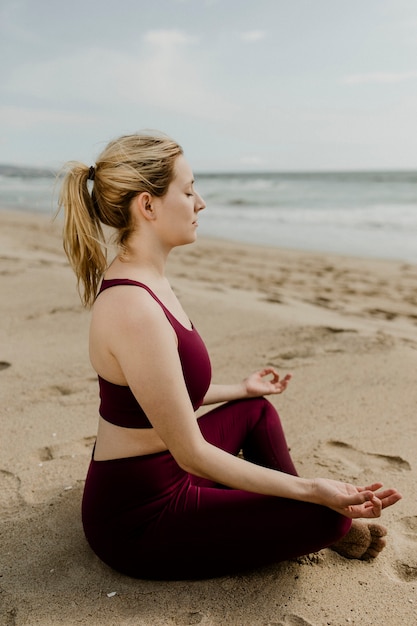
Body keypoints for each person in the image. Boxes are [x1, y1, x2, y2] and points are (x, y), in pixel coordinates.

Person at [58, 132, 401, 580]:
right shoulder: (133, 309)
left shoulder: (147, 279)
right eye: (187, 190)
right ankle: (308, 516)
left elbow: (162, 394)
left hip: (172, 469)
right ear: (148, 205)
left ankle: (281, 507)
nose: (200, 202)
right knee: (329, 518)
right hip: (140, 515)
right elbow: (193, 454)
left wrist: (240, 389)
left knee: (256, 409)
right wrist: (313, 491)